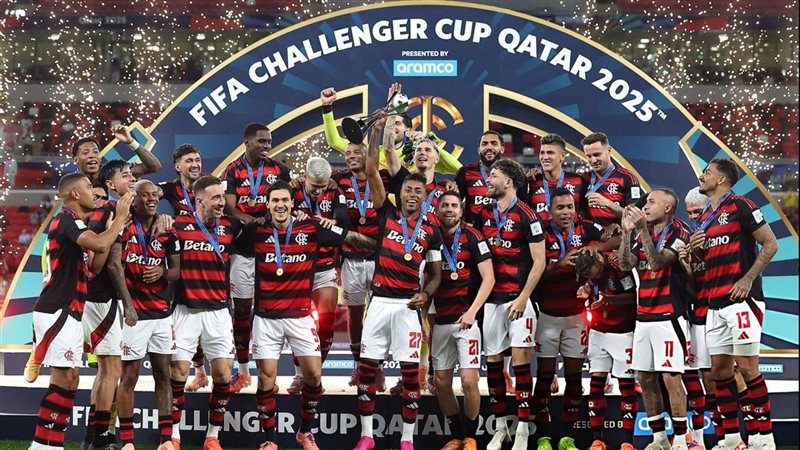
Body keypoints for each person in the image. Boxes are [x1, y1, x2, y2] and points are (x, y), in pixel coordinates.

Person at [245, 180, 374, 450]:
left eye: (285, 200)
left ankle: (305, 432)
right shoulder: (255, 232)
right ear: (268, 204)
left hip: (301, 316)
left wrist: (383, 246)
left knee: (314, 377)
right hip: (266, 319)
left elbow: (348, 237)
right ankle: (269, 440)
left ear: (292, 203)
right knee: (266, 378)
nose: (280, 205)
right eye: (275, 200)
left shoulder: (311, 227)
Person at [353, 122, 443, 450]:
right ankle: (366, 436)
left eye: (418, 191)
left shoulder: (432, 230)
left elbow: (435, 274)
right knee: (367, 371)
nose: (412, 195)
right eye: (408, 190)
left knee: (409, 376)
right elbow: (371, 170)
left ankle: (407, 441)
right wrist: (376, 132)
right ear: (400, 192)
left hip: (408, 307)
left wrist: (426, 293)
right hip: (378, 303)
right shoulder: (386, 213)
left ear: (424, 196)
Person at [28, 173, 132, 450]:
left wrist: (112, 230)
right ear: (75, 194)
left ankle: (50, 444)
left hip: (70, 310)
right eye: (88, 188)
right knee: (63, 380)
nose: (92, 192)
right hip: (58, 309)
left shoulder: (77, 224)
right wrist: (119, 219)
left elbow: (95, 266)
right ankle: (42, 446)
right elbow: (99, 245)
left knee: (71, 380)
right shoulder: (67, 218)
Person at [690, 159, 778, 450]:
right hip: (714, 303)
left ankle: (765, 437)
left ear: (721, 180)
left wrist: (748, 279)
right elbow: (706, 262)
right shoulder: (706, 217)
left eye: (707, 172)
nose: (702, 176)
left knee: (748, 368)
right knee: (720, 373)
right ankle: (730, 438)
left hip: (742, 301)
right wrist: (697, 251)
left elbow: (770, 244)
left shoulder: (742, 205)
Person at [475, 158, 545, 450]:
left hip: (519, 300)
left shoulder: (528, 215)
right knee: (493, 364)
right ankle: (501, 427)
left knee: (520, 365)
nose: (487, 180)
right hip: (492, 302)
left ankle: (523, 431)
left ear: (508, 182)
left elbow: (540, 261)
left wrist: (524, 297)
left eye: (493, 175)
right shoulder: (483, 213)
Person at [170, 175, 242, 450]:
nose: (222, 202)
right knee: (178, 373)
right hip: (185, 310)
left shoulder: (231, 226)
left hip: (219, 312)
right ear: (199, 200)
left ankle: (212, 436)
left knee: (223, 375)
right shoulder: (177, 226)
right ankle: (174, 436)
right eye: (215, 198)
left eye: (222, 197)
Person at [618, 190, 693, 450]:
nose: (645, 206)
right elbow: (625, 264)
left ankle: (681, 438)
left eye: (652, 202)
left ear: (668, 208)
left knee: (671, 379)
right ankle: (659, 438)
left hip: (669, 317)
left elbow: (657, 263)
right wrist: (626, 233)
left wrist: (642, 230)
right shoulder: (641, 233)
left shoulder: (680, 232)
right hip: (643, 318)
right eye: (646, 202)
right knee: (646, 379)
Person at [531, 187, 604, 450]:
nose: (565, 212)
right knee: (544, 377)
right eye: (560, 207)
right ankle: (543, 437)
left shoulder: (586, 230)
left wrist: (595, 253)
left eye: (570, 207)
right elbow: (532, 276)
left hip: (576, 318)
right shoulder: (540, 233)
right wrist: (558, 265)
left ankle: (567, 437)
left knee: (574, 379)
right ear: (550, 211)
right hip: (547, 316)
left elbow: (612, 243)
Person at [223, 123, 291, 393]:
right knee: (242, 312)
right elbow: (229, 207)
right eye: (261, 141)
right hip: (242, 251)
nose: (266, 146)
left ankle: (269, 375)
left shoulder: (279, 169)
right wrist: (248, 219)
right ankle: (242, 372)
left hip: (272, 251)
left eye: (269, 142)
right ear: (247, 142)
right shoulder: (233, 170)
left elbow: (289, 199)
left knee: (269, 313)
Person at [117, 180, 181, 450]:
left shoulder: (168, 231)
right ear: (135, 200)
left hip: (162, 314)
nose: (152, 199)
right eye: (145, 195)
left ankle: (166, 440)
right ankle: (127, 441)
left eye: (155, 194)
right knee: (129, 377)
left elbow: (176, 271)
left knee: (163, 375)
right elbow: (115, 268)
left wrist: (163, 273)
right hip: (134, 315)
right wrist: (127, 305)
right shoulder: (124, 228)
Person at [82, 160, 139, 450]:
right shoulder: (111, 212)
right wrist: (128, 304)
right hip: (101, 298)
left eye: (132, 174)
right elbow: (110, 264)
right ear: (110, 185)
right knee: (111, 370)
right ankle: (101, 439)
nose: (131, 178)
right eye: (125, 175)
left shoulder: (112, 210)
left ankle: (92, 438)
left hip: (98, 298)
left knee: (107, 370)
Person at [432, 190, 494, 450]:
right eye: (445, 205)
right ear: (437, 209)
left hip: (466, 322)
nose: (450, 209)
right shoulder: (431, 236)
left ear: (461, 210)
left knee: (469, 381)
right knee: (441, 383)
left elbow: (489, 278)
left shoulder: (473, 236)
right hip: (439, 321)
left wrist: (472, 312)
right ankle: (457, 436)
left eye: (454, 205)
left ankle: (470, 438)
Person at [454, 129, 516, 393]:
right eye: (484, 143)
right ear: (478, 148)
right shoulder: (465, 173)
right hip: (474, 252)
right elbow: (458, 202)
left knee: (504, 314)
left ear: (502, 148)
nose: (488, 147)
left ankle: (505, 370)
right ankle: (474, 370)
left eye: (493, 143)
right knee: (478, 313)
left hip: (504, 252)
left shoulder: (512, 174)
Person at [286, 157, 349, 395]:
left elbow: (342, 225)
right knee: (298, 323)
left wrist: (323, 222)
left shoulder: (335, 192)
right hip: (297, 268)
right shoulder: (291, 191)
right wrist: (309, 220)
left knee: (327, 323)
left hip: (324, 267)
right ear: (304, 177)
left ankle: (314, 375)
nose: (319, 191)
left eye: (323, 186)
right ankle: (298, 375)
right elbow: (278, 217)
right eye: (314, 186)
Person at [332, 140, 391, 389]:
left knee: (378, 316)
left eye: (357, 152)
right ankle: (358, 366)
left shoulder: (383, 178)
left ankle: (377, 368)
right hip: (352, 260)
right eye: (347, 153)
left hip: (379, 259)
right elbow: (315, 183)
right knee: (354, 314)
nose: (351, 156)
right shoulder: (338, 180)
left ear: (368, 156)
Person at [157, 143, 210, 391]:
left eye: (197, 159)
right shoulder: (170, 188)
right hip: (182, 259)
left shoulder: (210, 185)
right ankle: (199, 372)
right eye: (189, 161)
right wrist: (161, 217)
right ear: (177, 166)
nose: (195, 164)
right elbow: (147, 195)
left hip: (207, 258)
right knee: (188, 316)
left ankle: (210, 370)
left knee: (206, 317)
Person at [320, 85, 462, 175]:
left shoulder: (420, 156)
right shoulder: (373, 153)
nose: (393, 127)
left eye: (397, 123)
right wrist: (327, 108)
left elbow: (458, 169)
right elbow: (334, 142)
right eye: (390, 123)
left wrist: (429, 145)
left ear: (408, 129)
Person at [575, 250, 639, 450]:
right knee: (596, 384)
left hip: (622, 332)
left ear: (598, 261)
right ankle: (597, 440)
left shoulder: (618, 265)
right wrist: (587, 291)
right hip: (598, 332)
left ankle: (627, 442)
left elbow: (633, 296)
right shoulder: (588, 271)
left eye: (592, 273)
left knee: (626, 387)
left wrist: (608, 299)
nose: (591, 277)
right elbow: (592, 288)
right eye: (587, 276)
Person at [581, 132, 643, 227]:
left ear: (609, 150)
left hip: (618, 234)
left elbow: (634, 218)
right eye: (589, 156)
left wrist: (608, 203)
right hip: (591, 235)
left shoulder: (628, 178)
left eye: (597, 154)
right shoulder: (585, 178)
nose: (593, 160)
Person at [527, 133, 587, 222]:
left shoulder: (578, 181)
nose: (545, 157)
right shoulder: (532, 182)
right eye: (542, 153)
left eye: (550, 153)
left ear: (562, 156)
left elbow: (584, 214)